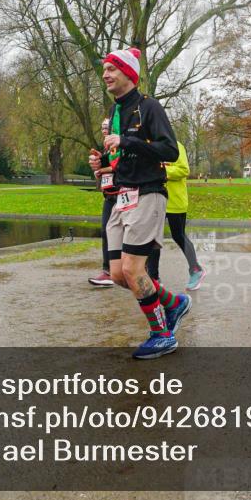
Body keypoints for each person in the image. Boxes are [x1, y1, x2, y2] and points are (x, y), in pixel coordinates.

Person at [88, 46, 190, 360]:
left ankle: (162, 335)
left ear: (129, 74)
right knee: (118, 273)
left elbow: (169, 150)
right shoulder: (114, 112)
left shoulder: (149, 107)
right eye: (104, 70)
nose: (105, 75)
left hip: (148, 193)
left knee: (134, 269)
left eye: (112, 69)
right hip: (123, 195)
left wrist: (127, 141)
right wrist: (104, 160)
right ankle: (174, 303)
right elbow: (124, 155)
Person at [146, 141, 207, 291]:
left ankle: (195, 270)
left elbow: (184, 169)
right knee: (154, 237)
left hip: (175, 200)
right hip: (154, 199)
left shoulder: (175, 145)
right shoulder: (148, 145)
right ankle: (153, 277)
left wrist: (162, 170)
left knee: (178, 235)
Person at [88, 119, 118, 287]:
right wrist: (97, 166)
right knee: (106, 230)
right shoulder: (106, 148)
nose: (104, 130)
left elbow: (120, 164)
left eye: (107, 127)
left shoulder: (119, 143)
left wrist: (102, 169)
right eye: (102, 128)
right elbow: (107, 165)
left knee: (131, 236)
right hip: (109, 195)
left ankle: (149, 272)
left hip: (124, 193)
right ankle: (107, 271)